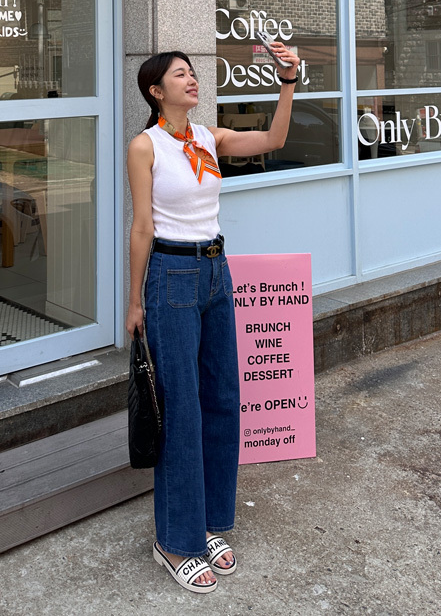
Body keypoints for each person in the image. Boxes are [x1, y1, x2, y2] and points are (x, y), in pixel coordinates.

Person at [126, 45, 300, 594]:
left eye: (193, 72)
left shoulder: (209, 137)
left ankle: (208, 522)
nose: (192, 79)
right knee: (181, 408)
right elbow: (141, 227)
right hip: (171, 276)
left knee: (223, 398)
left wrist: (288, 81)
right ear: (156, 91)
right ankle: (175, 542)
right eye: (180, 74)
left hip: (215, 271)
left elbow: (273, 140)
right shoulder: (145, 146)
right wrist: (134, 302)